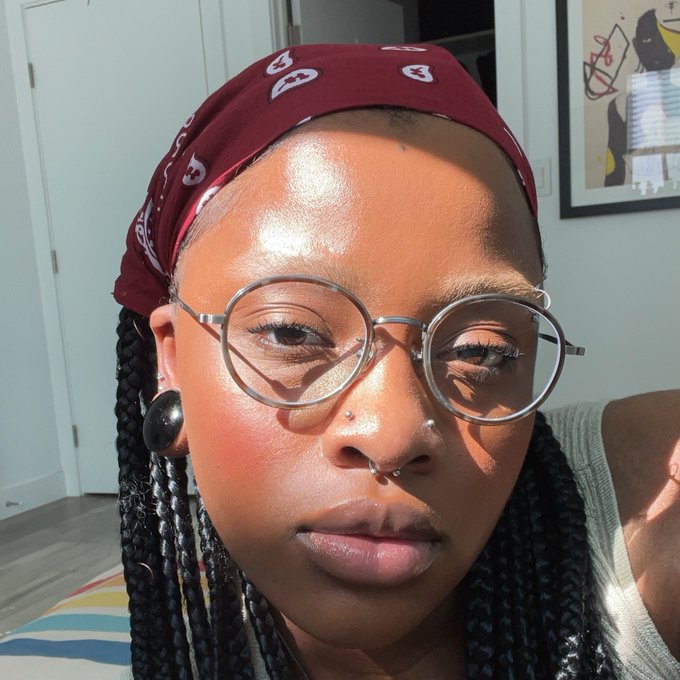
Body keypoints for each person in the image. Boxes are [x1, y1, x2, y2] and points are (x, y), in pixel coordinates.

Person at [112, 43, 678, 679]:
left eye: (480, 350)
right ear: (172, 359)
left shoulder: (653, 518)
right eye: (292, 333)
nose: (394, 434)